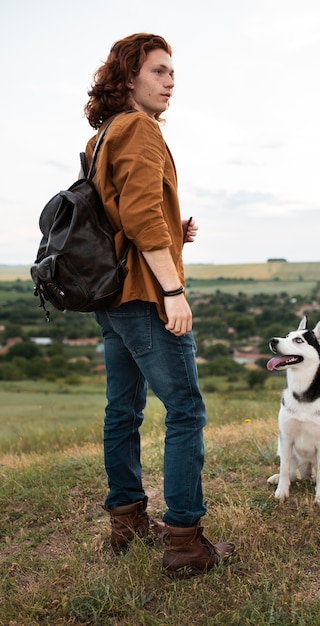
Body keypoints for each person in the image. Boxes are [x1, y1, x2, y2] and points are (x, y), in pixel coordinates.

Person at [83, 33, 234, 577]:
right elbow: (142, 218)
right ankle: (185, 543)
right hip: (145, 296)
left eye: (172, 73)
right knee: (186, 411)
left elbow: (124, 216)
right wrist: (173, 290)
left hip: (111, 297)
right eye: (159, 71)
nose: (171, 81)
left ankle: (126, 521)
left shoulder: (104, 135)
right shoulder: (141, 130)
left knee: (122, 410)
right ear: (129, 78)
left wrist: (175, 230)